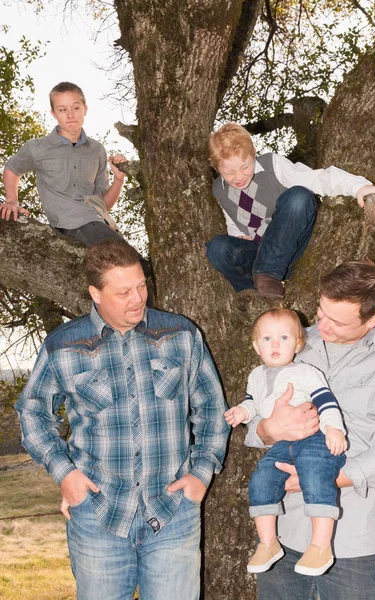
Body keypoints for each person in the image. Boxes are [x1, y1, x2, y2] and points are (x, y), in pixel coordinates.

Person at [15, 239, 229, 600]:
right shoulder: (62, 345)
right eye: (124, 291)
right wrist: (64, 474)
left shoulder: (181, 335)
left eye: (142, 285)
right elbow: (33, 413)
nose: (138, 298)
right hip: (97, 514)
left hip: (173, 512)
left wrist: (201, 473)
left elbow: (211, 409)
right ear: (95, 294)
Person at [245, 260, 375, 600]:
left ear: (373, 319)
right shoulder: (292, 340)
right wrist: (268, 430)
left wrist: (331, 477)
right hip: (283, 528)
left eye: (337, 321)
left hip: (354, 535)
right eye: (321, 311)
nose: (321, 325)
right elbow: (256, 423)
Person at [225, 308, 347, 576]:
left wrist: (334, 429)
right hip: (282, 443)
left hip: (314, 439)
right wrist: (242, 412)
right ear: (257, 346)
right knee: (262, 479)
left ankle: (320, 545)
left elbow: (326, 403)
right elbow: (253, 404)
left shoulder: (306, 372)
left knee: (315, 475)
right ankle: (268, 543)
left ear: (298, 344)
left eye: (284, 338)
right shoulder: (255, 376)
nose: (275, 344)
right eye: (267, 339)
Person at [206, 123, 375, 299]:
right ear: (216, 168)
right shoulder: (218, 189)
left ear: (253, 154)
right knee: (217, 247)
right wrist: (238, 236)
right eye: (229, 172)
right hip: (257, 253)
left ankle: (268, 273)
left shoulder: (272, 164)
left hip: (291, 247)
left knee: (299, 197)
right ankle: (250, 293)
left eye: (244, 167)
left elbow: (319, 178)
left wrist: (359, 187)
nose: (238, 176)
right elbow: (232, 220)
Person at [0, 81, 128, 248]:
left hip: (103, 226)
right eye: (62, 109)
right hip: (69, 225)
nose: (70, 115)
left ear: (85, 109)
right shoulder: (37, 147)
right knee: (130, 263)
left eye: (75, 108)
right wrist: (12, 200)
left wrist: (118, 180)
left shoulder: (97, 150)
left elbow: (105, 204)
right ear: (54, 113)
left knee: (133, 264)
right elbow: (12, 168)